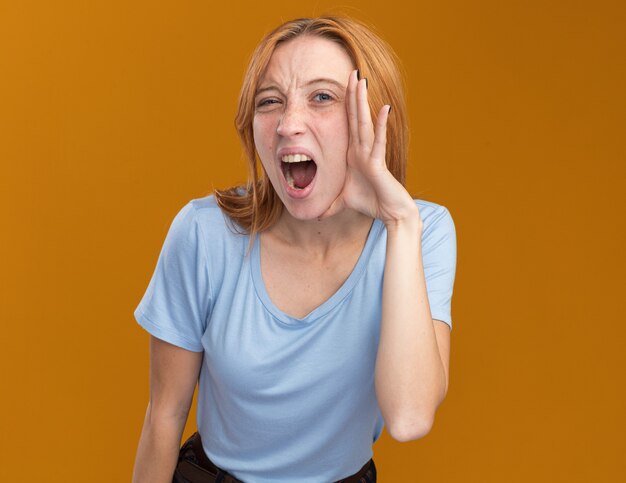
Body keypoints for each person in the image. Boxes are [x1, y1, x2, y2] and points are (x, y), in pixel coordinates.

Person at [132, 15, 457, 483]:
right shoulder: (204, 233)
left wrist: (399, 222)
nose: (288, 124)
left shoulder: (421, 230)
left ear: (375, 117)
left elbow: (409, 417)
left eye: (322, 96)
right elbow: (164, 415)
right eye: (270, 102)